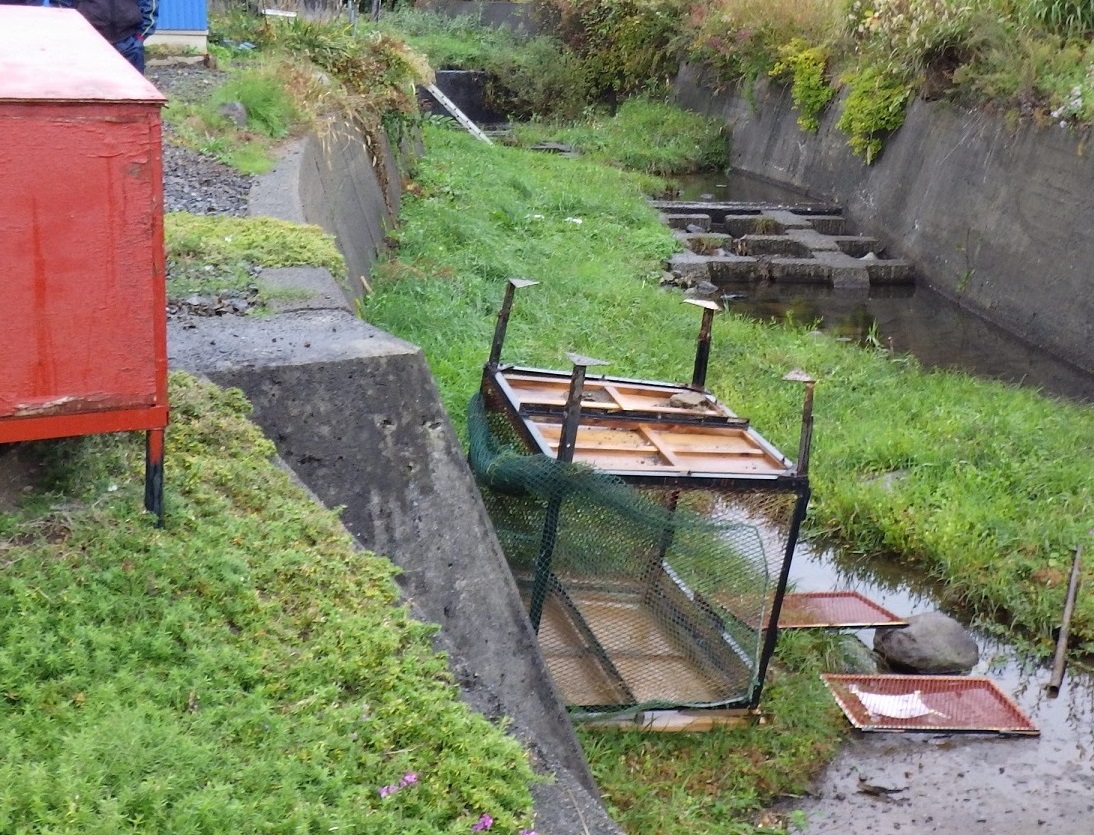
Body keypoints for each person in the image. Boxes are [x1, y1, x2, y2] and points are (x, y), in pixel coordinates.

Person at [29, 0, 158, 74]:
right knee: (88, 98)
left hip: (128, 42)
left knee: (133, 99)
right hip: (86, 43)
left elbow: (149, 4)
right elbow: (61, 4)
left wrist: (140, 37)